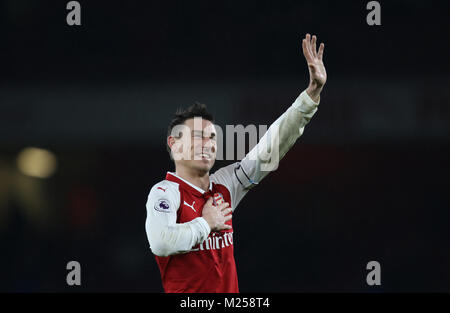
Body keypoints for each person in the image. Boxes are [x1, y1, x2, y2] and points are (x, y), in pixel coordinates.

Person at [145, 34, 327, 293]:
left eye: (212, 137)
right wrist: (205, 223)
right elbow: (161, 243)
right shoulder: (164, 193)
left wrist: (311, 96)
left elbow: (269, 150)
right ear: (174, 144)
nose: (207, 143)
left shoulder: (225, 185)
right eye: (198, 136)